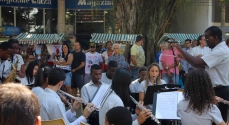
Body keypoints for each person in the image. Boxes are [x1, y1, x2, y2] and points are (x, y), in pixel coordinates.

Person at [175, 26, 229, 122]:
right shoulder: (217, 50)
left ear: (215, 37)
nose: (206, 41)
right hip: (214, 90)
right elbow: (202, 66)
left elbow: (197, 63)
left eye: (207, 38)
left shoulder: (220, 51)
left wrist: (181, 50)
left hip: (219, 91)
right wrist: (185, 57)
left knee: (218, 120)